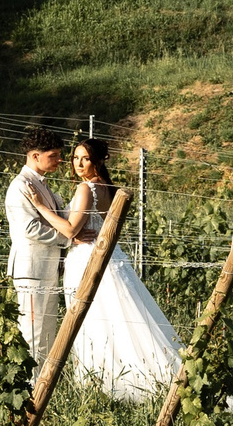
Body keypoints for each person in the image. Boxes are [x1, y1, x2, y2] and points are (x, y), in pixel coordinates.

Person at [52, 136, 185, 401]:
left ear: (98, 161)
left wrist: (42, 207)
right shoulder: (107, 188)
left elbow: (69, 229)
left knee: (94, 321)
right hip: (108, 257)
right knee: (114, 318)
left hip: (86, 260)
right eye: (75, 157)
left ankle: (106, 384)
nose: (79, 163)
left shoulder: (86, 188)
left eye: (85, 158)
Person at [5, 129, 70, 361]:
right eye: (53, 155)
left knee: (47, 331)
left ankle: (42, 386)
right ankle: (31, 389)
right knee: (32, 332)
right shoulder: (20, 185)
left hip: (48, 268)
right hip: (31, 270)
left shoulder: (41, 184)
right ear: (34, 156)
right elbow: (29, 228)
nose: (59, 160)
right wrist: (67, 238)